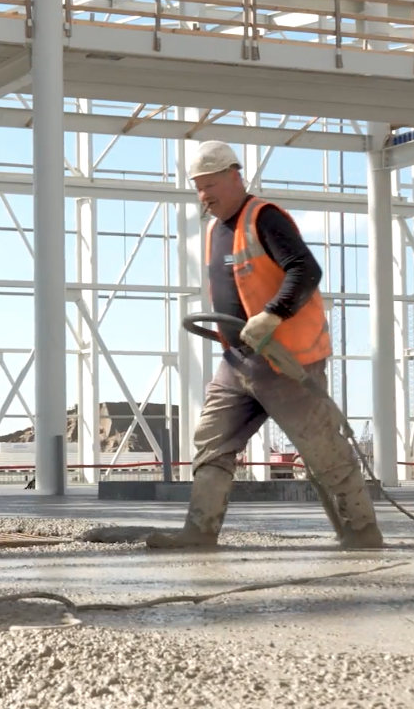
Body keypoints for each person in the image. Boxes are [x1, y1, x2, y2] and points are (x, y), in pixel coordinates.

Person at [145, 141, 384, 550]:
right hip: (238, 362)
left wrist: (273, 314)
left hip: (285, 362)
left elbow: (305, 269)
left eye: (211, 185)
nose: (204, 196)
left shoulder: (264, 218)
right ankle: (199, 531)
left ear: (235, 176)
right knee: (212, 441)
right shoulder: (214, 230)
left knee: (322, 451)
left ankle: (361, 532)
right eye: (198, 188)